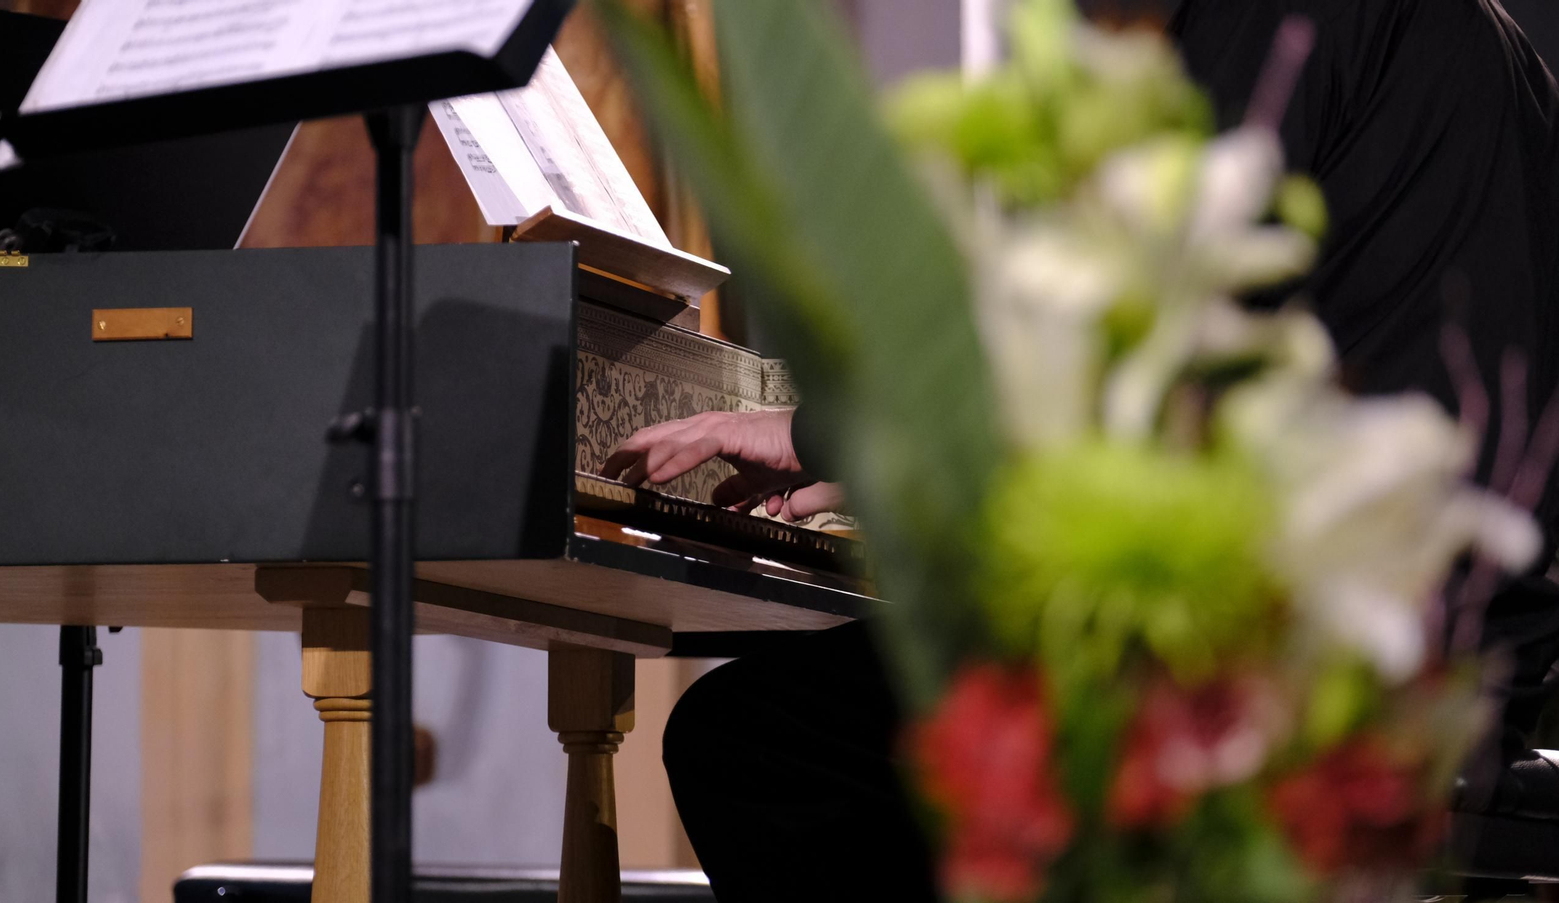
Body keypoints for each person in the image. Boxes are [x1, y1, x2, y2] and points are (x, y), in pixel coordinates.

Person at [601, 0, 1559, 898]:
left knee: (757, 744)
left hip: (1334, 662)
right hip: (1483, 643)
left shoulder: (1274, 27)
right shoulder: (1484, 43)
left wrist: (826, 432)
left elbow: (1130, 337)